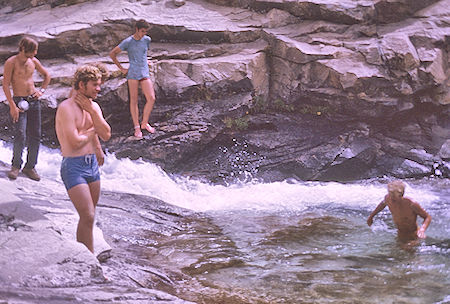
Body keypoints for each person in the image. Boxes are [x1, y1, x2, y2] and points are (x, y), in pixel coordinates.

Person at [55, 65, 111, 253]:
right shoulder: (66, 108)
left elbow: (107, 134)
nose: (98, 88)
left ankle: (86, 256)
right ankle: (89, 259)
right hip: (73, 166)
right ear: (82, 84)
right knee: (86, 215)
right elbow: (75, 141)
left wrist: (93, 114)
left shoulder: (94, 106)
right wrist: (93, 129)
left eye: (99, 84)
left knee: (89, 216)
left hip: (91, 165)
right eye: (94, 85)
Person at [2, 37, 51, 181]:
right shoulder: (11, 62)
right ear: (23, 48)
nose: (35, 53)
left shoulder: (34, 61)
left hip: (34, 100)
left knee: (35, 134)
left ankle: (30, 167)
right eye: (33, 50)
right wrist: (12, 105)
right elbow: (5, 85)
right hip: (19, 101)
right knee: (20, 134)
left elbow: (47, 75)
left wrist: (41, 90)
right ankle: (16, 166)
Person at [109, 19, 156, 139]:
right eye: (142, 31)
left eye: (145, 32)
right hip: (133, 73)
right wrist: (121, 68)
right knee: (133, 101)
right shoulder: (128, 42)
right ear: (137, 29)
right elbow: (112, 54)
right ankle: (136, 127)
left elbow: (143, 53)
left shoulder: (147, 40)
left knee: (151, 98)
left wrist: (146, 61)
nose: (143, 34)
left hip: (144, 71)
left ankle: (144, 123)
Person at [367, 180, 432, 241]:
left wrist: (422, 230)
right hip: (400, 233)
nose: (391, 198)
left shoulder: (411, 204)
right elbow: (382, 204)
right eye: (390, 194)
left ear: (401, 195)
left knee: (407, 249)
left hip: (413, 233)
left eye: (393, 196)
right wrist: (371, 217)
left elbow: (427, 217)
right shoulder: (388, 198)